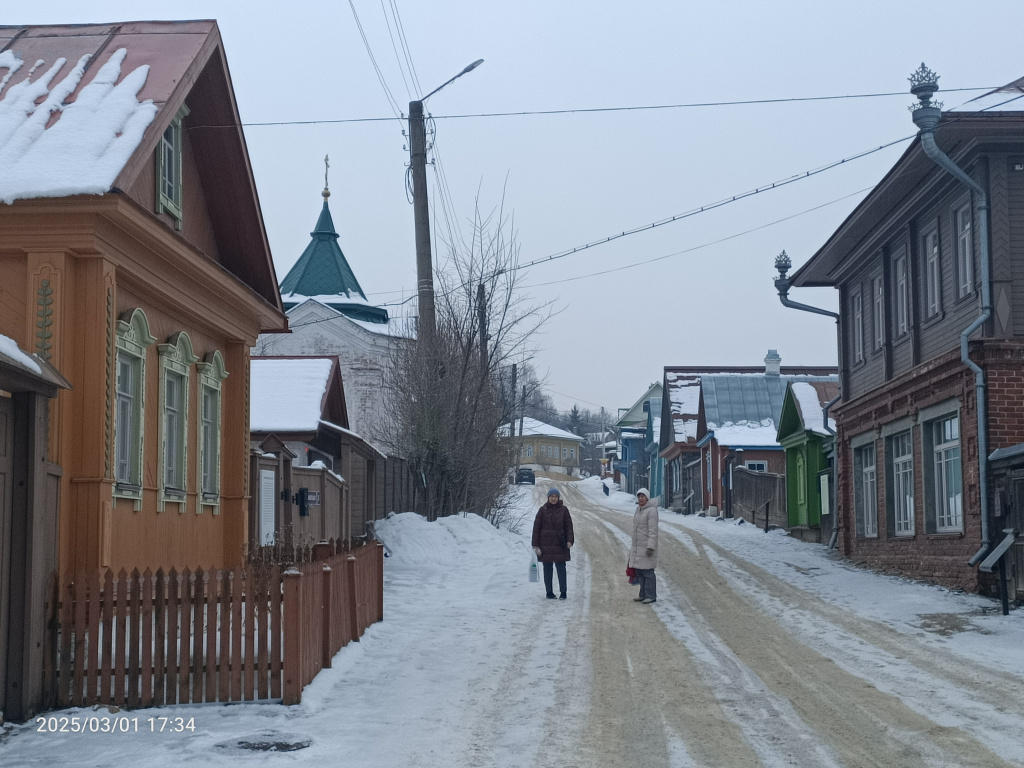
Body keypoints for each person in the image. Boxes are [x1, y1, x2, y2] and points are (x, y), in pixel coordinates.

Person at [532, 488, 574, 600]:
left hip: (560, 544)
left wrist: (570, 540)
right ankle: (549, 592)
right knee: (547, 569)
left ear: (558, 497)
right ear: (548, 497)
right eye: (551, 496)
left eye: (555, 496)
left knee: (561, 569)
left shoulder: (564, 510)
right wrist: (535, 546)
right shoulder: (542, 510)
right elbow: (536, 528)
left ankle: (563, 592)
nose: (553, 498)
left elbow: (569, 526)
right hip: (545, 545)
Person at [627, 487, 658, 604]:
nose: (640, 498)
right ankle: (643, 594)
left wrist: (651, 546)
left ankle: (651, 595)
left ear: (647, 497)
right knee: (640, 572)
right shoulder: (638, 509)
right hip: (637, 546)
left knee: (648, 572)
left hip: (646, 547)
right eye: (639, 496)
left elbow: (653, 531)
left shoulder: (651, 511)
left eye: (643, 496)